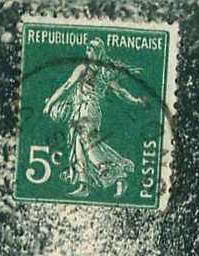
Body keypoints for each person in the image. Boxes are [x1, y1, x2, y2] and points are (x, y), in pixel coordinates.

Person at [43, 38, 147, 199]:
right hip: (82, 110)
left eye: (92, 47)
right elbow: (120, 91)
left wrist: (50, 103)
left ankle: (115, 170)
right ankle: (85, 184)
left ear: (99, 51)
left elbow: (67, 86)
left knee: (88, 143)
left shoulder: (87, 69)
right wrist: (134, 100)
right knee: (78, 145)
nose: (88, 49)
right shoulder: (102, 71)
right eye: (88, 47)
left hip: (88, 110)